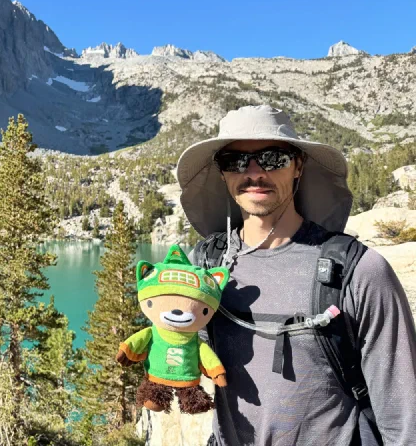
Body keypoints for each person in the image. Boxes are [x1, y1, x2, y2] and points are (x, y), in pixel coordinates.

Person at [176, 104, 416, 446]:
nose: (254, 172)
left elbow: (404, 418)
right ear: (223, 173)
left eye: (272, 158)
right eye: (235, 161)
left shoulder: (358, 271)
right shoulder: (206, 265)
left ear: (298, 166)